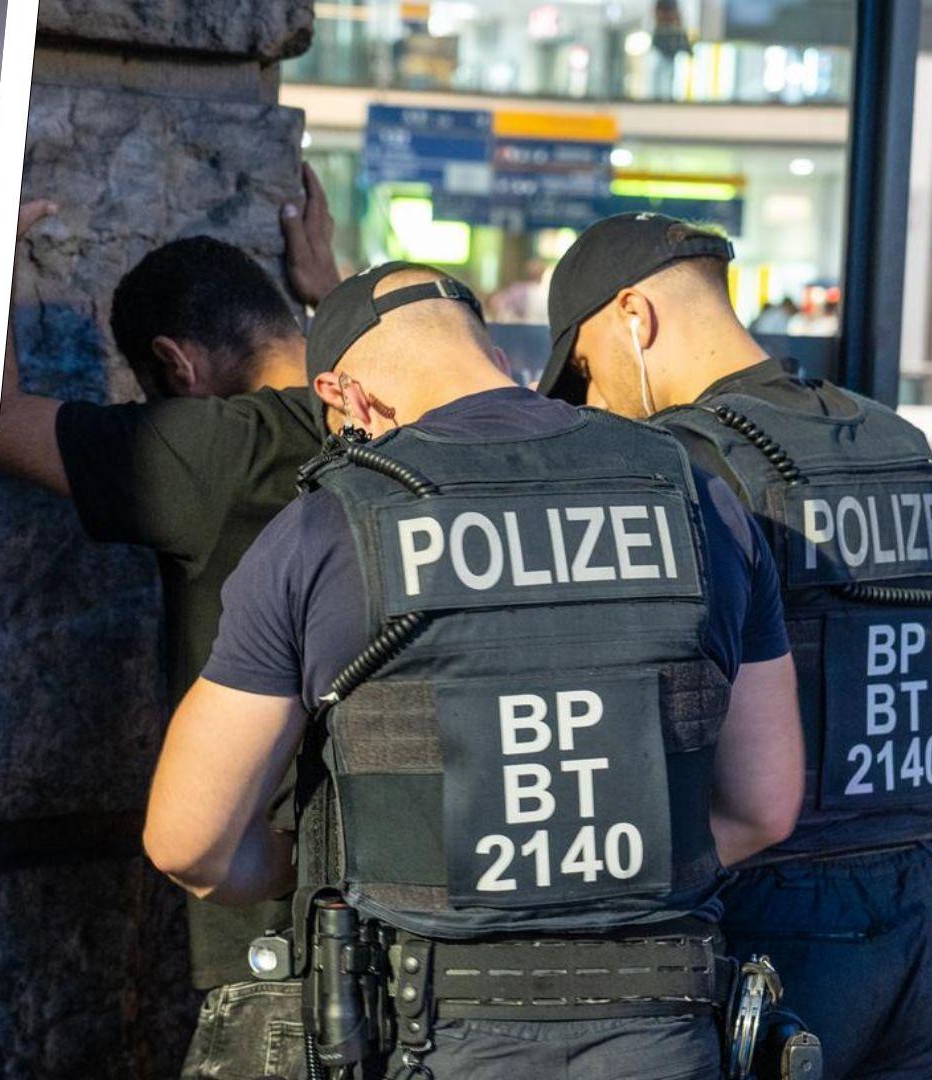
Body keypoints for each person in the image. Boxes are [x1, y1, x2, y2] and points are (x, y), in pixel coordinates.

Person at [146, 262, 804, 1077]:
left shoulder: (323, 527)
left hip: (428, 1030)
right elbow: (766, 808)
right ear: (494, 355)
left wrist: (312, 866)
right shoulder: (696, 493)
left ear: (345, 395)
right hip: (660, 1028)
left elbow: (189, 842)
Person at [539, 212, 932, 1079]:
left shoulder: (684, 467)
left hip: (776, 901)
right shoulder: (898, 441)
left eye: (585, 370)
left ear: (633, 317)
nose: (593, 401)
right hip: (919, 890)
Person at [0, 169, 342, 1075]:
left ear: (177, 367)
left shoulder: (215, 447)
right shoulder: (401, 420)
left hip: (276, 925)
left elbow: (1, 421)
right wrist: (331, 294)